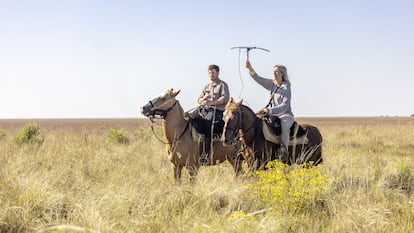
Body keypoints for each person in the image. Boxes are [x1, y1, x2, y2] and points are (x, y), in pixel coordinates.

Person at [246, 60, 294, 160]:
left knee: (284, 125)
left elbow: (285, 106)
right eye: (274, 71)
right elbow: (258, 79)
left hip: (285, 115)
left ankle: (284, 150)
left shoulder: (286, 88)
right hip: (270, 113)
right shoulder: (272, 84)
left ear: (282, 74)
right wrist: (250, 68)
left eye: (276, 72)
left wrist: (270, 110)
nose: (274, 73)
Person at [195, 64, 230, 165]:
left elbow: (225, 99)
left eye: (213, 72)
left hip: (217, 112)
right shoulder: (206, 86)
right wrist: (204, 99)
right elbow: (199, 99)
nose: (211, 75)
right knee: (190, 119)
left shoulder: (223, 85)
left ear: (218, 73)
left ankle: (205, 155)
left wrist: (211, 103)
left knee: (207, 125)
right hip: (204, 110)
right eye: (209, 73)